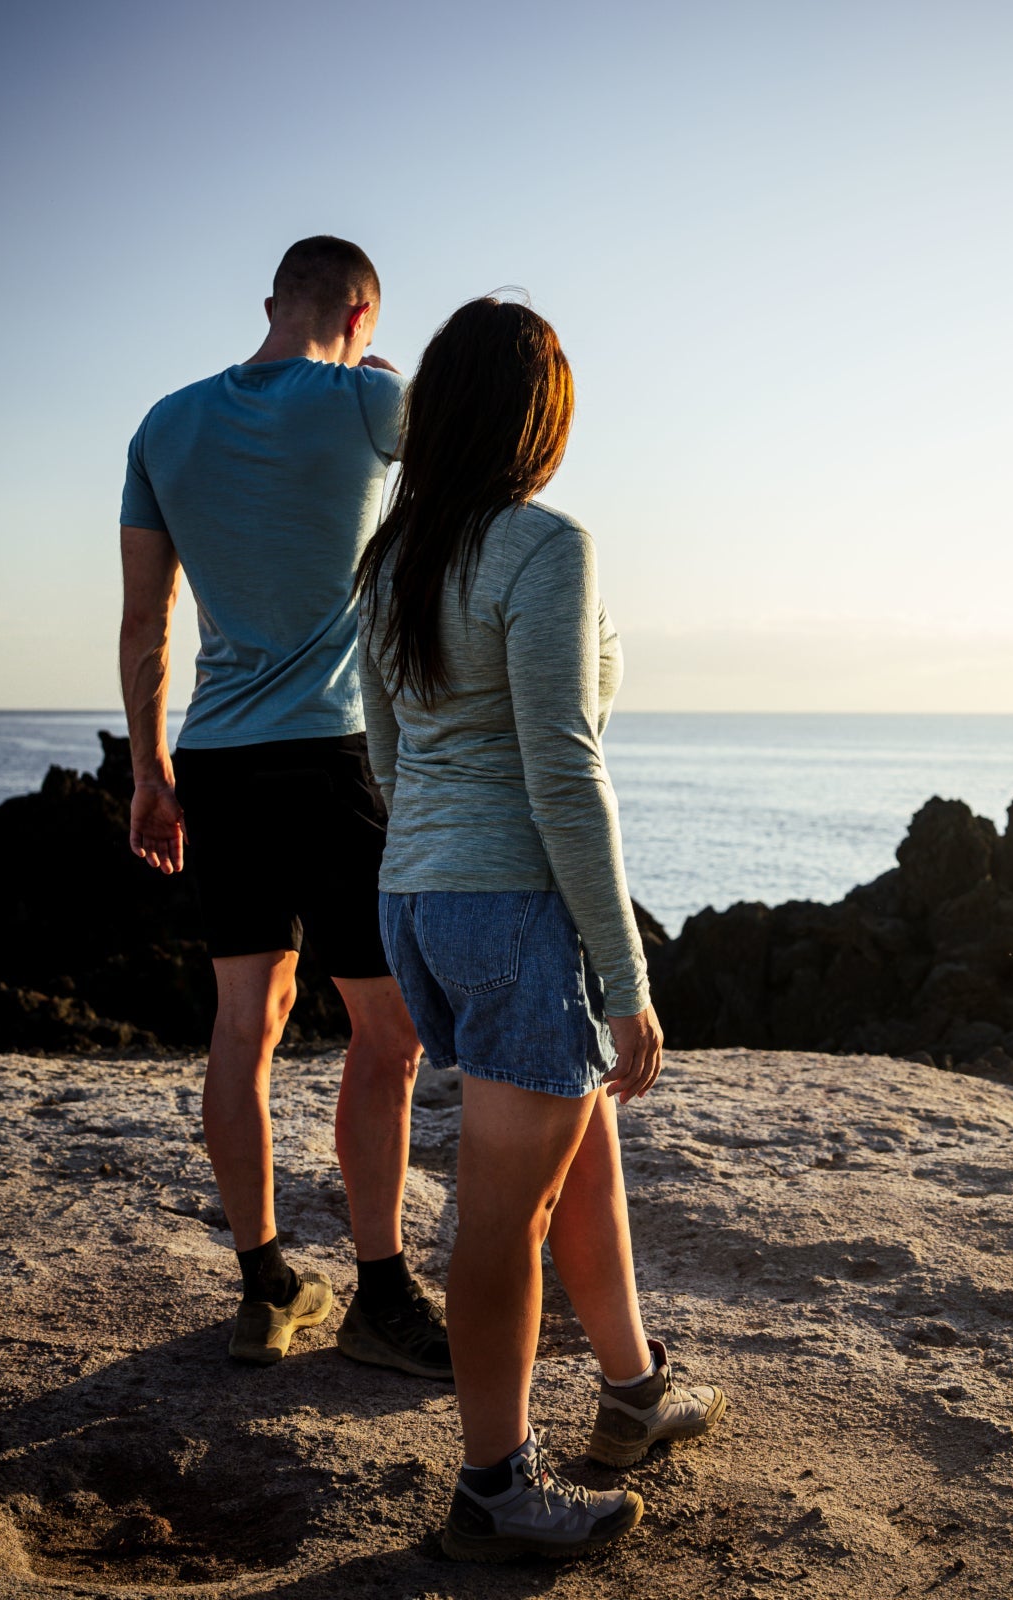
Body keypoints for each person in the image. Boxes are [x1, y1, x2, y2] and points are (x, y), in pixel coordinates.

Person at [357, 296, 727, 1562]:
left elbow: (391, 757)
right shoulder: (542, 545)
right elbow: (565, 768)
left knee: (582, 1146)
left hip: (418, 896)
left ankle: (633, 1393)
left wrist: (441, 871)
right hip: (513, 905)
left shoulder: (396, 554)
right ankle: (494, 1488)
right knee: (502, 1214)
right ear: (536, 420)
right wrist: (625, 977)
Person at [116, 236, 450, 1378]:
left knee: (242, 1023)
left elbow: (144, 626)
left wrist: (149, 773)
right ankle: (383, 1292)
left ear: (272, 303)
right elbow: (458, 486)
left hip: (216, 756)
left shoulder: (163, 424)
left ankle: (264, 1286)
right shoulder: (372, 402)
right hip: (334, 757)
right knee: (389, 1034)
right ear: (360, 313)